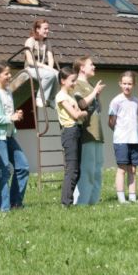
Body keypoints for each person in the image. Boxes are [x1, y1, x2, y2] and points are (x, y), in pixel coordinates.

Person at [0, 61, 29, 212]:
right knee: (4, 171)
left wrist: (16, 114)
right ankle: (3, 208)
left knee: (23, 167)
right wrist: (10, 118)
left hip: (9, 135)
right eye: (6, 74)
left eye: (10, 73)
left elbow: (6, 113)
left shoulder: (7, 91)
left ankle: (15, 203)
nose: (10, 76)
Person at [72, 56, 106, 205]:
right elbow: (82, 104)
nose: (94, 67)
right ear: (82, 68)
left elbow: (99, 109)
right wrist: (94, 92)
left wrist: (97, 95)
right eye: (91, 64)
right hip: (87, 133)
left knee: (97, 170)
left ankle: (93, 202)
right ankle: (81, 203)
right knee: (87, 170)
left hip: (97, 133)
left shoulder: (91, 85)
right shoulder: (76, 84)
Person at [109, 71, 138, 203]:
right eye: (124, 83)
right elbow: (111, 122)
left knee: (133, 169)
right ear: (120, 84)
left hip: (134, 140)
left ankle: (132, 197)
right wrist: (120, 132)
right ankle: (121, 198)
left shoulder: (136, 101)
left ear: (134, 85)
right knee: (122, 169)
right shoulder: (116, 101)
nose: (127, 86)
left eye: (129, 84)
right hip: (121, 140)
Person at [55, 66, 87, 207]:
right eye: (72, 81)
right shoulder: (61, 96)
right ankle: (66, 203)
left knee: (77, 170)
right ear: (63, 81)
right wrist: (83, 113)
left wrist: (80, 113)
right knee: (72, 169)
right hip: (70, 132)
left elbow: (78, 113)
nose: (74, 83)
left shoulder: (70, 96)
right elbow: (75, 114)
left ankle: (69, 201)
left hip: (76, 130)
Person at [24, 19, 59, 108]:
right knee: (49, 75)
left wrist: (50, 68)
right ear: (37, 29)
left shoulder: (47, 42)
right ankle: (40, 97)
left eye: (48, 29)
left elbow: (50, 58)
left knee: (57, 74)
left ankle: (51, 98)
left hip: (42, 70)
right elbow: (30, 61)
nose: (47, 31)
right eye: (45, 29)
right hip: (30, 69)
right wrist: (45, 67)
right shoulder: (30, 41)